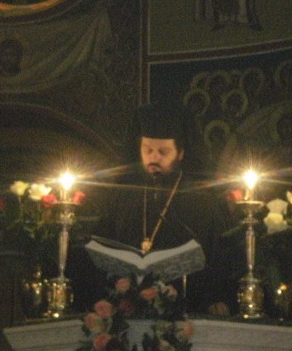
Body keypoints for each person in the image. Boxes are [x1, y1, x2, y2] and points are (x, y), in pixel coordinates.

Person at [92, 102, 234, 316]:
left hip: (189, 307)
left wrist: (215, 298)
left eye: (163, 151)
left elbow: (219, 256)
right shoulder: (124, 196)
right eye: (147, 150)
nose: (153, 157)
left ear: (181, 153)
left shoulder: (201, 199)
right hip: (127, 310)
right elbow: (101, 246)